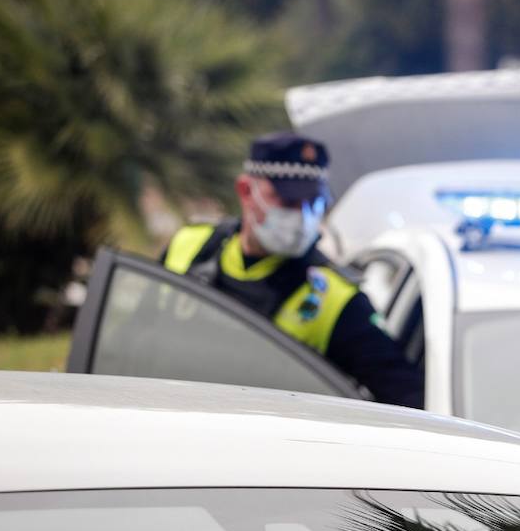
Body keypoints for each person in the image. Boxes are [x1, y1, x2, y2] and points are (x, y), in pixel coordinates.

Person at [161, 132, 424, 408]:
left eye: (313, 202)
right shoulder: (189, 244)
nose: (303, 216)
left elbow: (404, 393)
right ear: (246, 191)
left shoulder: (333, 297)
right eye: (287, 201)